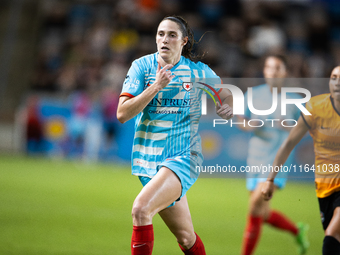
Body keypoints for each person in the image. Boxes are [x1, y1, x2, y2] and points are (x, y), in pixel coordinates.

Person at [117, 15, 233, 255]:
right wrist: (156, 87)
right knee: (186, 237)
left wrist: (226, 107)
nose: (165, 40)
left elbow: (226, 96)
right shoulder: (142, 67)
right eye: (161, 34)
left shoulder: (198, 71)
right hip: (148, 160)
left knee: (140, 209)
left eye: (172, 35)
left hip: (183, 157)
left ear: (184, 41)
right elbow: (122, 113)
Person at [262, 65, 340, 255]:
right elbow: (288, 144)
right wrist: (270, 179)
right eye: (333, 77)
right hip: (324, 185)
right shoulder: (315, 107)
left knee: (332, 234)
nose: (337, 82)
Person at [237, 55, 309, 255]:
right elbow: (241, 121)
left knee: (254, 208)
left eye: (277, 67)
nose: (272, 71)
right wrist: (249, 125)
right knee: (263, 213)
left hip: (277, 163)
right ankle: (297, 231)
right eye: (269, 67)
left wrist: (290, 127)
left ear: (285, 72)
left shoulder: (295, 100)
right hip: (256, 158)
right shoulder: (253, 95)